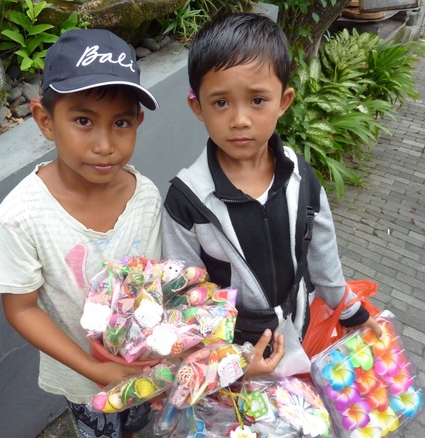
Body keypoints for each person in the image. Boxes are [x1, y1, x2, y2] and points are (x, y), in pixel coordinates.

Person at [162, 12, 381, 379]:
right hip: (233, 353)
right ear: (197, 106)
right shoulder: (187, 201)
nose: (240, 119)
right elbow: (185, 297)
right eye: (221, 103)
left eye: (258, 100)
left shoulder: (301, 178)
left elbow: (323, 254)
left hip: (298, 330)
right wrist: (229, 364)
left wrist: (351, 312)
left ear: (284, 100)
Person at [0, 29, 164, 438]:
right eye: (83, 121)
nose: (104, 145)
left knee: (133, 431)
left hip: (144, 367)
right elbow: (21, 307)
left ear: (137, 121)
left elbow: (154, 280)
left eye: (121, 122)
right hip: (85, 380)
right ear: (45, 120)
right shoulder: (21, 216)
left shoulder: (146, 195)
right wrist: (96, 369)